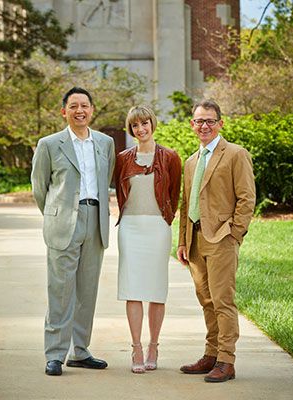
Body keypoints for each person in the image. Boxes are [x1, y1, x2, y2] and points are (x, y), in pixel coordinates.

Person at [31, 87, 115, 376]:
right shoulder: (49, 144)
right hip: (64, 221)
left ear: (92, 110)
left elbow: (107, 180)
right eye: (74, 106)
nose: (80, 110)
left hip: (95, 220)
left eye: (85, 105)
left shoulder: (105, 143)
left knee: (87, 290)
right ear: (63, 111)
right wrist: (56, 215)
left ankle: (80, 352)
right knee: (61, 290)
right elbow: (39, 188)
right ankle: (55, 353)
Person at [177, 99, 256, 382]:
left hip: (222, 238)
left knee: (223, 301)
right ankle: (211, 355)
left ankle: (226, 361)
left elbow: (247, 198)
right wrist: (183, 241)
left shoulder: (235, 154)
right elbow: (186, 204)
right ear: (192, 125)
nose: (204, 126)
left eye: (210, 120)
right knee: (206, 301)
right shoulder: (190, 161)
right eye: (199, 121)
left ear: (220, 123)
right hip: (196, 240)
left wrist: (234, 233)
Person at [114, 105, 181, 373]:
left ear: (153, 124)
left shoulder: (170, 157)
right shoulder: (122, 158)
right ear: (130, 130)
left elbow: (174, 194)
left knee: (155, 290)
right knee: (132, 289)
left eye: (144, 124)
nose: (140, 130)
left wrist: (165, 220)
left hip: (158, 227)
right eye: (135, 126)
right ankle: (136, 348)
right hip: (130, 227)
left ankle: (154, 345)